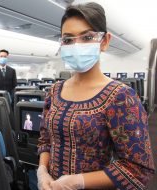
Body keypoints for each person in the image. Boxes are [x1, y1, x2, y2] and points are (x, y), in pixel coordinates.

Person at [37, 2, 155, 190]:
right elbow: (45, 140)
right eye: (68, 40)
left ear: (105, 41)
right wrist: (42, 171)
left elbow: (138, 169)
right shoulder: (53, 92)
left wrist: (78, 182)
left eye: (87, 37)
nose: (76, 46)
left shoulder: (122, 97)